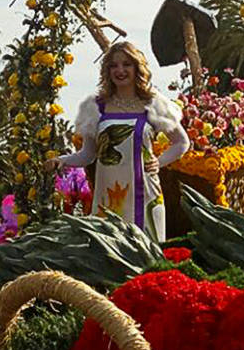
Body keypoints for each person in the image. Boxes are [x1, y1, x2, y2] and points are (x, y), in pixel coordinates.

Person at [51, 41, 191, 242]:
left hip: (146, 193)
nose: (120, 70)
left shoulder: (152, 103)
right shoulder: (95, 107)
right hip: (108, 197)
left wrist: (158, 162)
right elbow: (88, 154)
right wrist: (62, 160)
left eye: (126, 64)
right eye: (114, 66)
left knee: (147, 256)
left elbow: (181, 143)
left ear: (137, 67)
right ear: (107, 71)